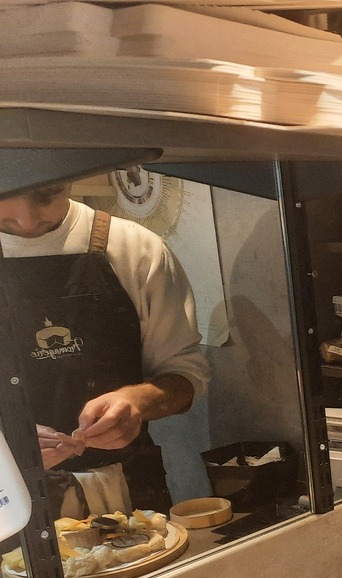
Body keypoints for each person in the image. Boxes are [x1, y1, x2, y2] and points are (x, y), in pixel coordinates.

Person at [0, 181, 209, 517]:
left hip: (128, 489)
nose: (26, 220)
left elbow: (186, 375)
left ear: (69, 178)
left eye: (46, 196)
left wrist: (138, 402)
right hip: (7, 500)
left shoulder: (134, 249)